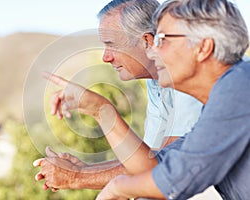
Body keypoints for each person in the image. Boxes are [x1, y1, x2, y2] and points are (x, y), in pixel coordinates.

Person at [33, 0, 204, 195]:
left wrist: (77, 177)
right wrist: (84, 170)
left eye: (111, 45)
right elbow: (148, 158)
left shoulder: (189, 76)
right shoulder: (156, 80)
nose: (105, 57)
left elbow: (163, 171)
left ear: (147, 42)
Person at [94, 0, 250, 199]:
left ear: (203, 47)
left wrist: (118, 187)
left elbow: (176, 179)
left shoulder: (238, 87)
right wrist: (99, 110)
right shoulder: (218, 102)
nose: (152, 50)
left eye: (162, 41)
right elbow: (156, 165)